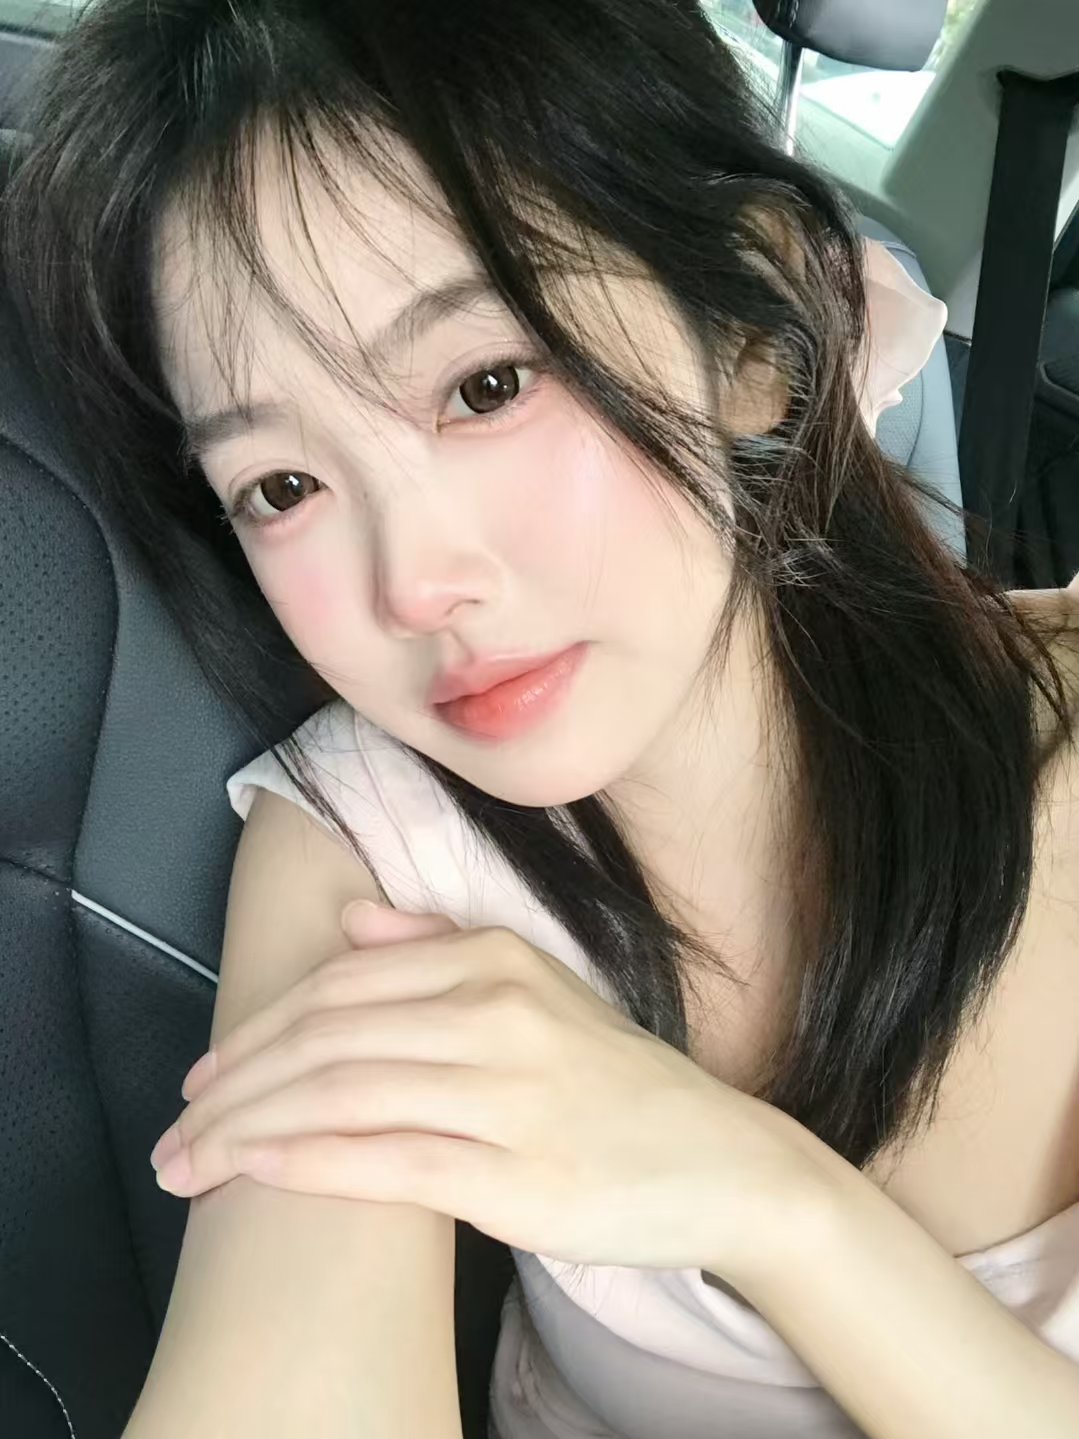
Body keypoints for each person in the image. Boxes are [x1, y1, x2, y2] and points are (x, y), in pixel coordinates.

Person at [3, 2, 1078, 1436]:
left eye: (487, 385)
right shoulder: (371, 847)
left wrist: (774, 1205)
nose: (413, 584)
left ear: (751, 339)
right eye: (282, 487)